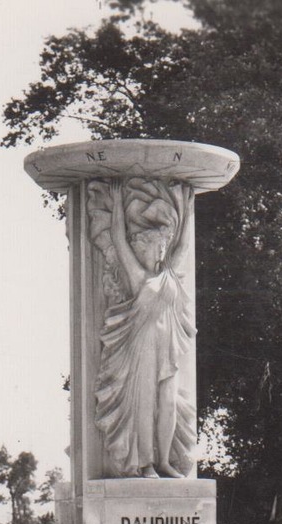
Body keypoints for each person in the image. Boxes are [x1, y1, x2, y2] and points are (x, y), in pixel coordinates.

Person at [90, 177, 197, 478]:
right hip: (142, 347)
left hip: (169, 347)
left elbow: (185, 246)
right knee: (144, 405)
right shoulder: (139, 277)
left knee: (168, 405)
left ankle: (164, 461)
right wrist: (116, 207)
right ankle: (145, 463)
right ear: (144, 248)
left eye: (164, 246)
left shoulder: (171, 274)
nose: (161, 252)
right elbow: (120, 241)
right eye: (155, 246)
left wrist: (188, 210)